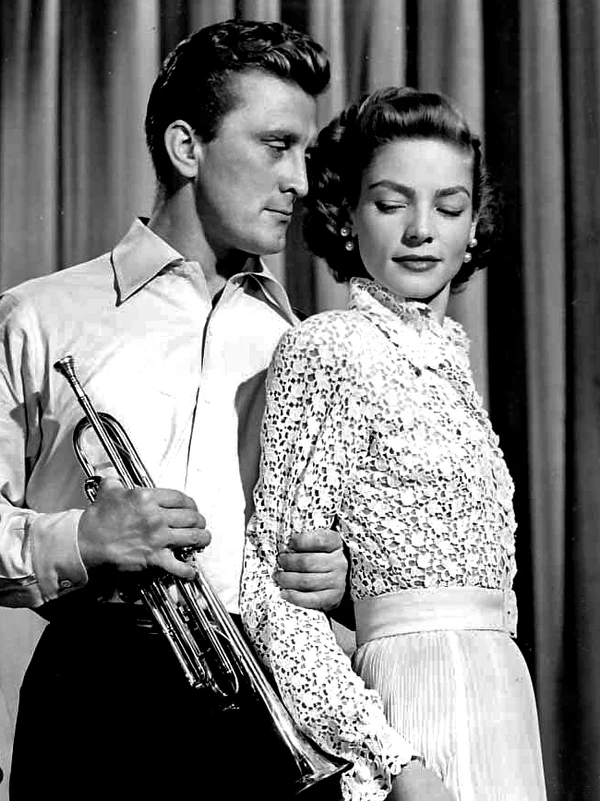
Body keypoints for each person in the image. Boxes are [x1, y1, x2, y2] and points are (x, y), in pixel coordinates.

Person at [0, 20, 350, 801]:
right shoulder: (39, 316)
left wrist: (336, 576)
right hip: (94, 703)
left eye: (304, 152)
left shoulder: (302, 342)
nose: (300, 180)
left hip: (267, 698)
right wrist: (83, 537)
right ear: (186, 147)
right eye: (276, 145)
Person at [240, 87, 548, 801]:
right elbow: (274, 600)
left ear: (472, 226)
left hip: (501, 700)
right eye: (390, 203)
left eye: (449, 207)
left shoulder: (450, 359)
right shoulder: (327, 348)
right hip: (411, 713)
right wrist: (392, 761)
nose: (421, 230)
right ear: (348, 217)